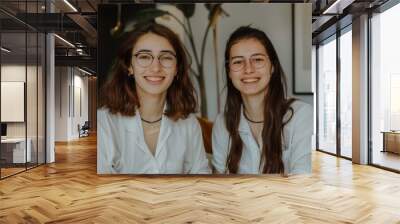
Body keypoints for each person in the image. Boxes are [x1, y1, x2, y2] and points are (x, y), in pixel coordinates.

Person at [98, 23, 211, 174]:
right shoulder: (104, 122)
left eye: (166, 57)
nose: (156, 67)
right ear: (129, 66)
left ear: (177, 68)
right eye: (144, 57)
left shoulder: (189, 124)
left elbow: (201, 179)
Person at [212, 26, 313, 175]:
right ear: (229, 72)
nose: (248, 69)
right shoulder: (223, 123)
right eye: (238, 62)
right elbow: (218, 185)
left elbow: (303, 182)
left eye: (257, 59)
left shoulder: (301, 115)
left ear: (272, 67)